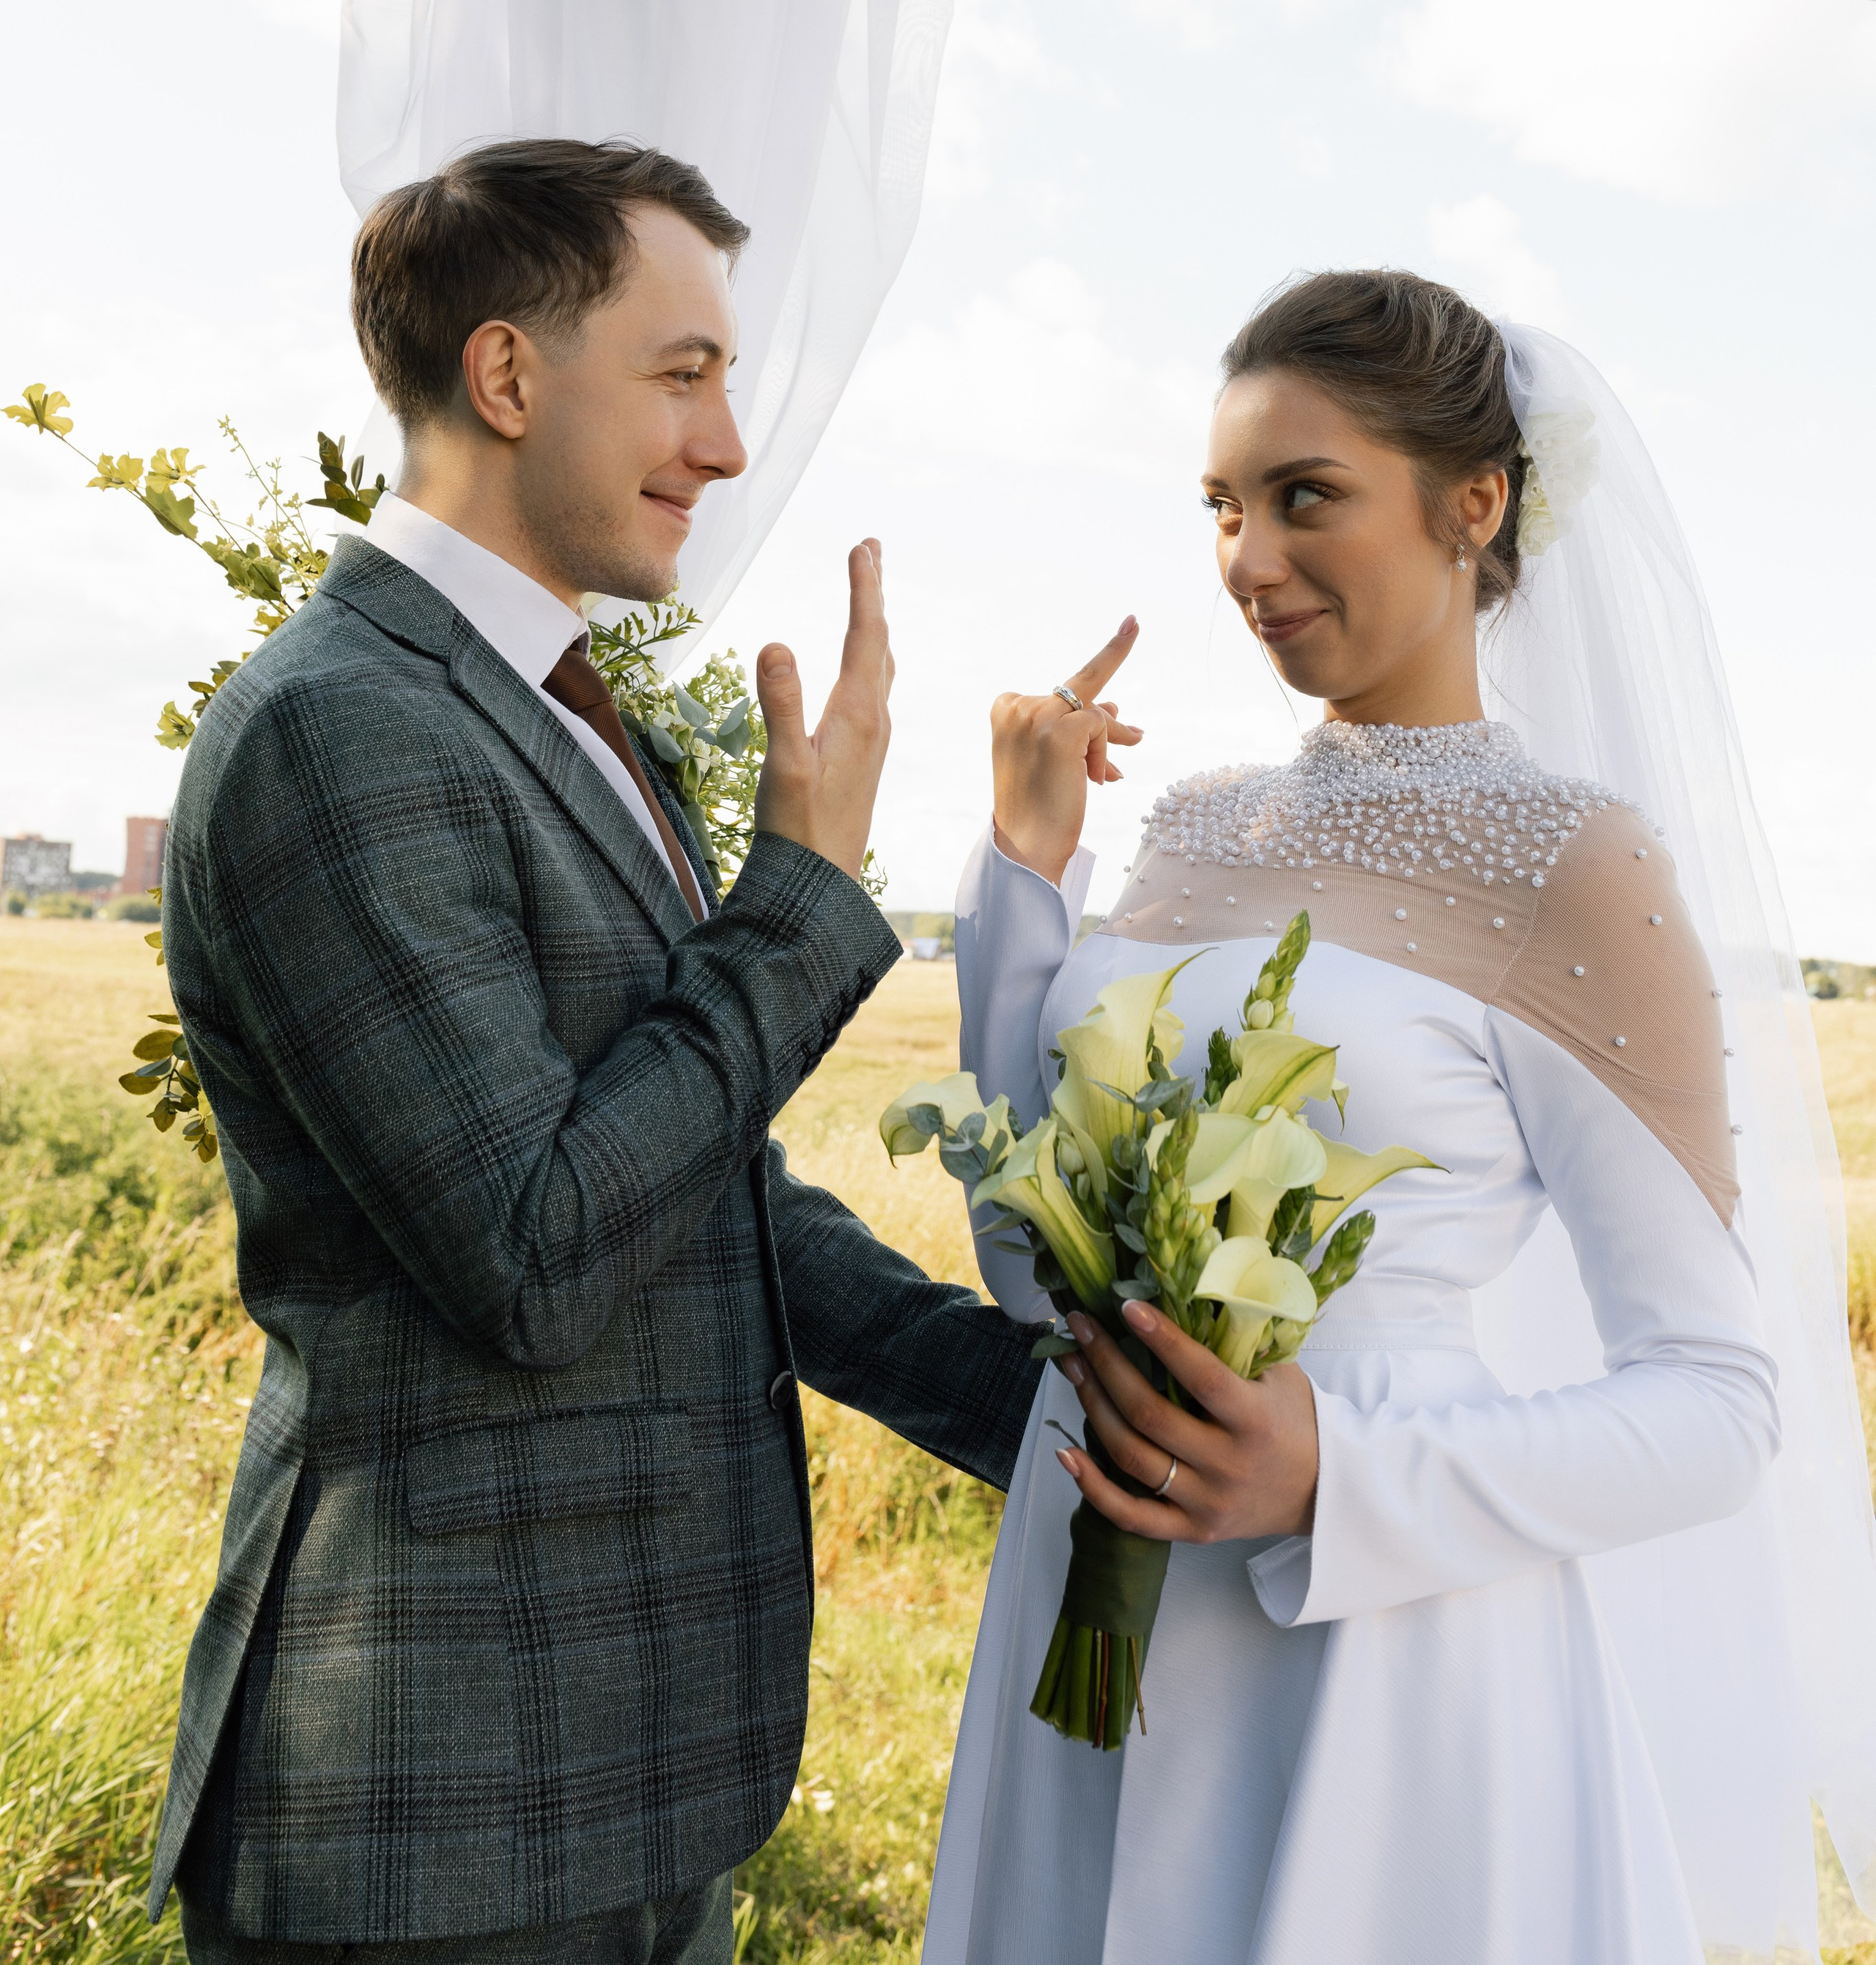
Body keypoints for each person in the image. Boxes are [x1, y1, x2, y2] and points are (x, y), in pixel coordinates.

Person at [148, 137, 1040, 1965]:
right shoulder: (341, 728)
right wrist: (799, 896)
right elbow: (542, 1249)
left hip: (623, 1783)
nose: (722, 446)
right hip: (439, 1808)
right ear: (504, 374)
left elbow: (688, 1187)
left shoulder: (550, 709)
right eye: (685, 373)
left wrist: (1049, 1420)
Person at [924, 270, 1876, 1965]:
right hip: (1081, 1605)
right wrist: (1024, 876)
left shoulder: (1573, 863)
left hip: (1379, 1666)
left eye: (1305, 497)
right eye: (1220, 506)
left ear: (1475, 502)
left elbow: (1718, 1404)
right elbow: (1030, 1254)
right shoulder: (1193, 825)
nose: (1245, 561)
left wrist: (1332, 1475)